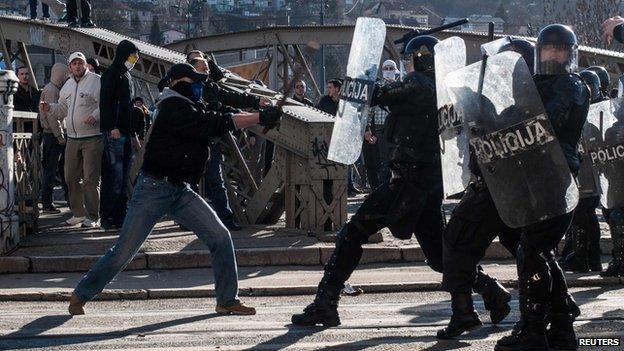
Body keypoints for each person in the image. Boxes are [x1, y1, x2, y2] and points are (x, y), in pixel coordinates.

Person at [290, 36, 506, 328]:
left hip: (406, 180)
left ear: (421, 58)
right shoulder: (443, 88)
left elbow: (380, 93)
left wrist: (358, 80)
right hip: (427, 180)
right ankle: (492, 292)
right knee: (439, 255)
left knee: (353, 233)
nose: (406, 65)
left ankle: (325, 303)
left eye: (409, 59)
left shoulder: (419, 85)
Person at [67, 63, 282, 316]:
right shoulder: (171, 107)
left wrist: (259, 106)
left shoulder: (188, 103)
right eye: (196, 82)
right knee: (124, 251)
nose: (201, 87)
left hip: (180, 190)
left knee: (220, 237)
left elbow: (223, 108)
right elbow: (213, 122)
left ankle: (227, 300)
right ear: (179, 83)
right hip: (153, 189)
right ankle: (80, 294)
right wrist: (258, 117)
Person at [437, 38, 540, 340]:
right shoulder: (523, 90)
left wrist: (475, 103)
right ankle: (553, 302)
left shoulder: (522, 94)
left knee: (456, 242)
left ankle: (464, 313)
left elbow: (502, 132)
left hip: (497, 187)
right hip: (512, 190)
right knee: (529, 251)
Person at [496, 24, 590, 351]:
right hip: (533, 179)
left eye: (559, 49)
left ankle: (533, 330)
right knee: (539, 251)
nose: (552, 54)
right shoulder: (533, 84)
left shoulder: (571, 85)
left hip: (558, 177)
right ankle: (562, 326)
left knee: (532, 250)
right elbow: (506, 119)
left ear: (569, 53)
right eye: (547, 49)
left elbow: (547, 122)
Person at [190, 57, 266, 231]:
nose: (207, 72)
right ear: (193, 70)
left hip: (211, 141)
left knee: (216, 181)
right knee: (191, 182)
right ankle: (191, 220)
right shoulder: (187, 89)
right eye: (203, 69)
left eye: (208, 69)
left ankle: (225, 220)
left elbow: (231, 98)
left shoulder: (210, 87)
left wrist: (255, 102)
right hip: (193, 142)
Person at [40, 52, 103, 228]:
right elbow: (62, 110)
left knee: (91, 178)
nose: (77, 66)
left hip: (93, 137)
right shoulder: (67, 85)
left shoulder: (96, 80)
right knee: (70, 177)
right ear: (70, 67)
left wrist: (95, 115)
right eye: (74, 63)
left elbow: (104, 103)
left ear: (84, 64)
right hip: (73, 138)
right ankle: (78, 214)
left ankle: (93, 216)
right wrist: (49, 108)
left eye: (80, 63)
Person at [558, 69, 604, 273]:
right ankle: (584, 257)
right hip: (581, 172)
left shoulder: (600, 111)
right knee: (583, 215)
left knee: (583, 215)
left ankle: (583, 257)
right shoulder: (578, 108)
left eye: (591, 87)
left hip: (590, 173)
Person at [99, 40, 141, 231]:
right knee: (112, 177)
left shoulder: (127, 76)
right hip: (115, 132)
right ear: (125, 54)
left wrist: (133, 133)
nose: (135, 59)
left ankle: (120, 217)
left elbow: (129, 107)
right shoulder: (111, 74)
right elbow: (105, 103)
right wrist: (111, 126)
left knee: (123, 178)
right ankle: (107, 217)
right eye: (133, 56)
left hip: (126, 132)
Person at [362, 59, 398, 189]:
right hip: (381, 128)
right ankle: (383, 190)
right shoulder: (376, 87)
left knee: (398, 160)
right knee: (383, 161)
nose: (388, 71)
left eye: (391, 68)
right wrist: (367, 129)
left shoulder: (401, 85)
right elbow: (368, 111)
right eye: (386, 68)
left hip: (397, 129)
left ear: (395, 70)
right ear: (382, 70)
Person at [39, 62, 69, 214]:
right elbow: (51, 115)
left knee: (56, 169)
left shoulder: (50, 88)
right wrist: (60, 135)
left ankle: (63, 200)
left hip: (52, 135)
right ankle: (47, 203)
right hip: (53, 135)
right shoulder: (52, 90)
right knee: (51, 170)